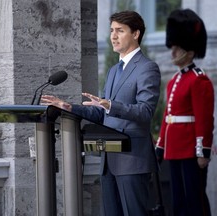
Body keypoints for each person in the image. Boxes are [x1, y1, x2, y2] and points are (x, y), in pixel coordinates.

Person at [41, 10, 161, 216]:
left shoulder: (147, 68)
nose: (113, 36)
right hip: (109, 161)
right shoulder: (114, 70)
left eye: (120, 31)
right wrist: (70, 107)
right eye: (112, 30)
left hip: (132, 160)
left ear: (136, 34)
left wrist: (110, 105)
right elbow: (103, 113)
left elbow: (145, 111)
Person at [155, 9, 214, 216]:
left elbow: (204, 119)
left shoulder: (199, 80)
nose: (172, 52)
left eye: (177, 48)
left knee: (194, 201)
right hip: (175, 148)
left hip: (190, 150)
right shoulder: (174, 81)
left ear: (189, 51)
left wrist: (202, 151)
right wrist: (161, 146)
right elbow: (167, 116)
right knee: (178, 201)